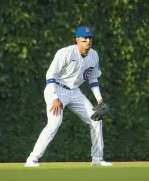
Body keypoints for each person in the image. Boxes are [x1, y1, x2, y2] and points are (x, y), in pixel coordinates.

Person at [24, 26, 113, 167]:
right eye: (84, 38)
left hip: (75, 92)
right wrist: (54, 97)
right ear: (77, 39)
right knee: (54, 123)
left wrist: (99, 100)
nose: (88, 41)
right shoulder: (65, 53)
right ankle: (32, 159)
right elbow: (50, 75)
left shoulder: (94, 56)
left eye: (90, 38)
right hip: (56, 89)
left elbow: (93, 79)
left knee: (96, 120)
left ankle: (97, 158)